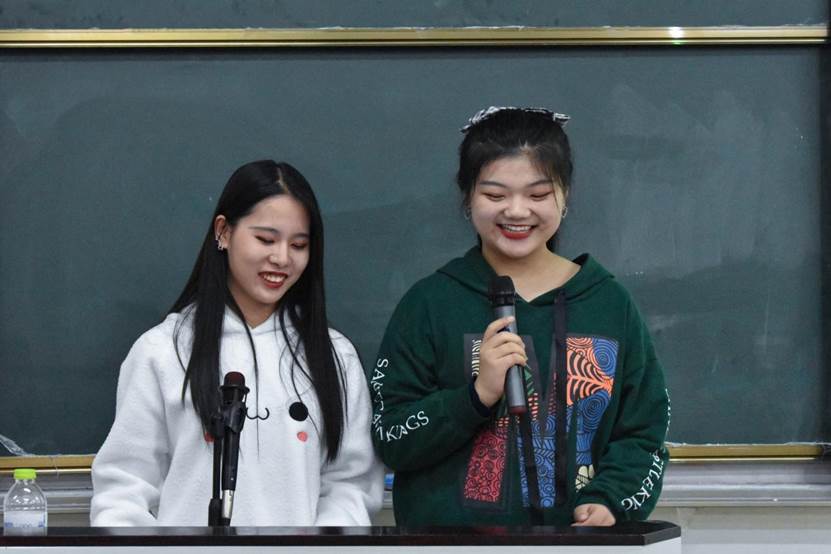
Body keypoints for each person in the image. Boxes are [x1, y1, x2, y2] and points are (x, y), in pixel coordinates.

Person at [370, 107, 670, 527]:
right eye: (495, 196)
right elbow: (390, 437)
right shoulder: (430, 303)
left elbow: (644, 432)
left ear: (565, 195)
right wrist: (475, 396)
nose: (516, 211)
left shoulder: (608, 304)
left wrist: (612, 500)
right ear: (467, 197)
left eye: (538, 195)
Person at [91, 160, 383, 526]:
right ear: (224, 232)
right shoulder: (163, 352)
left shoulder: (333, 355)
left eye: (298, 245)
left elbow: (350, 485)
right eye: (266, 240)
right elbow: (123, 490)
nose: (282, 258)